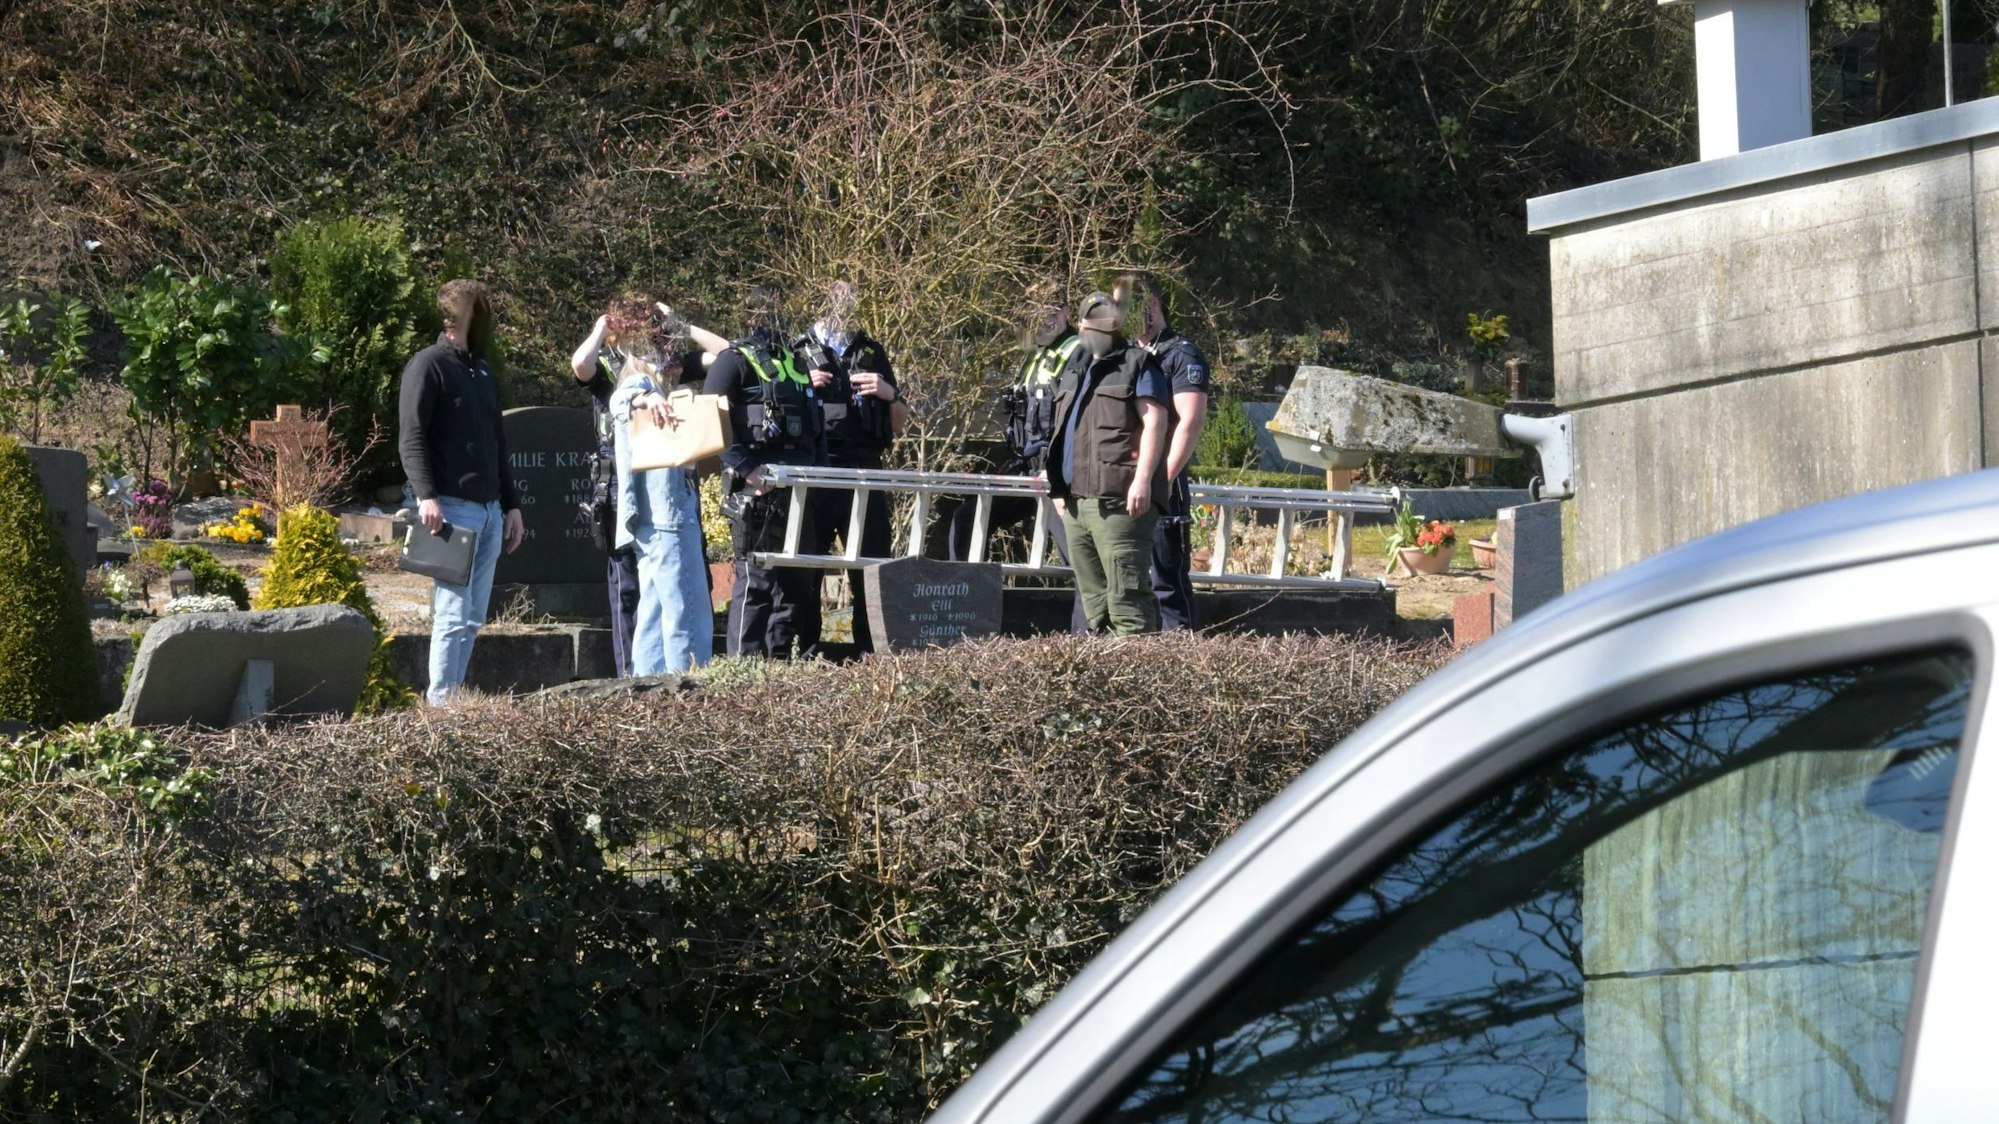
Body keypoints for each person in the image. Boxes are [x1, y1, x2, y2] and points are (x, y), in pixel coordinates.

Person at [397, 279, 525, 703]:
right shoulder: (428, 365)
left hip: (489, 511)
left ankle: (453, 701)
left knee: (472, 619)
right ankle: (440, 707)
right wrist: (426, 495)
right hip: (451, 509)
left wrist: (511, 505)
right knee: (451, 615)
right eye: (478, 306)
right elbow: (412, 435)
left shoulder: (482, 371)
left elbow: (497, 442)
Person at [703, 287, 826, 658]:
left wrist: (819, 478)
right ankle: (743, 669)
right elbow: (711, 424)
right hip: (756, 490)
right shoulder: (733, 361)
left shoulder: (798, 361)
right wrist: (749, 470)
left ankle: (778, 669)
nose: (777, 321)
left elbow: (816, 427)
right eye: (769, 313)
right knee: (756, 582)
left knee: (798, 584)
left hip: (801, 488)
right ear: (753, 318)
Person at [793, 281, 909, 654]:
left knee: (871, 567)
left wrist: (889, 393)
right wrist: (801, 385)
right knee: (805, 567)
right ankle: (804, 654)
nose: (842, 306)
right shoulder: (796, 351)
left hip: (865, 471)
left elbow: (900, 423)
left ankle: (872, 656)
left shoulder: (871, 350)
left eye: (849, 300)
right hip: (816, 470)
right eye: (834, 299)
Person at [1045, 291, 1170, 634]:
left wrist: (1142, 480)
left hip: (1119, 504)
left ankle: (1142, 669)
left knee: (1128, 605)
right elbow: (1061, 430)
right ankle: (1105, 668)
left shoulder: (1138, 363)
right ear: (1081, 324)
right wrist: (1058, 488)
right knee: (1094, 608)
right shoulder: (1073, 369)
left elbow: (1155, 423)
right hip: (1075, 504)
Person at [606, 306, 714, 674]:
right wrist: (647, 398)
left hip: (652, 520)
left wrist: (681, 322)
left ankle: (646, 689)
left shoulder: (656, 383)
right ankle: (689, 691)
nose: (674, 351)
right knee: (688, 612)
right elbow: (622, 400)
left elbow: (727, 353)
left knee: (653, 613)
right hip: (668, 516)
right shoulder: (642, 382)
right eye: (668, 340)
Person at [947, 281, 1083, 565]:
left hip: (1058, 473)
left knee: (1079, 559)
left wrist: (1059, 471)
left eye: (1051, 311)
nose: (1043, 319)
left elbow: (1081, 420)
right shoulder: (1035, 354)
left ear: (1065, 312)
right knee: (968, 520)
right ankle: (970, 592)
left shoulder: (1078, 352)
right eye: (1035, 312)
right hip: (1025, 466)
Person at [1115, 273, 1211, 631]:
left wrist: (1165, 479)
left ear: (1152, 305)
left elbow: (1190, 420)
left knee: (1166, 584)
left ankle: (1179, 655)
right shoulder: (1127, 354)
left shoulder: (1180, 354)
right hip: (1125, 481)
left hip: (1161, 484)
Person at [570, 300, 642, 677]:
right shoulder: (605, 369)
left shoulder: (661, 366)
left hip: (657, 485)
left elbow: (722, 353)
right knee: (626, 587)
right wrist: (600, 329)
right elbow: (580, 365)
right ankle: (629, 674)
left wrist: (676, 327)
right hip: (616, 488)